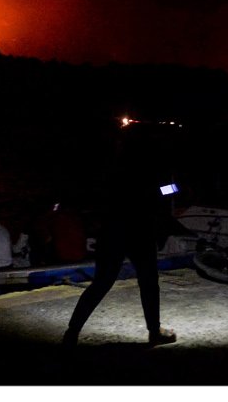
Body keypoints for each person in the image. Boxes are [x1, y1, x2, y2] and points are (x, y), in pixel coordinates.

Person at [61, 125, 177, 349]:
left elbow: (98, 197)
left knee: (102, 282)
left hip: (112, 230)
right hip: (140, 230)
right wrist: (174, 186)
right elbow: (163, 192)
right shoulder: (151, 166)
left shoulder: (111, 167)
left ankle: (72, 331)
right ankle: (154, 332)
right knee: (149, 283)